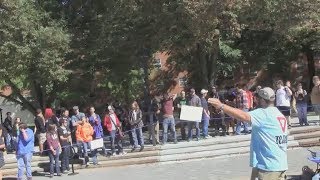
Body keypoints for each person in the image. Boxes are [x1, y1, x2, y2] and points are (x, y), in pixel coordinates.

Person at [208, 87, 288, 180]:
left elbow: (243, 115)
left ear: (262, 100)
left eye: (257, 98)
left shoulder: (263, 113)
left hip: (268, 168)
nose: (255, 100)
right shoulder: (279, 114)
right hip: (280, 164)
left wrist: (221, 105)